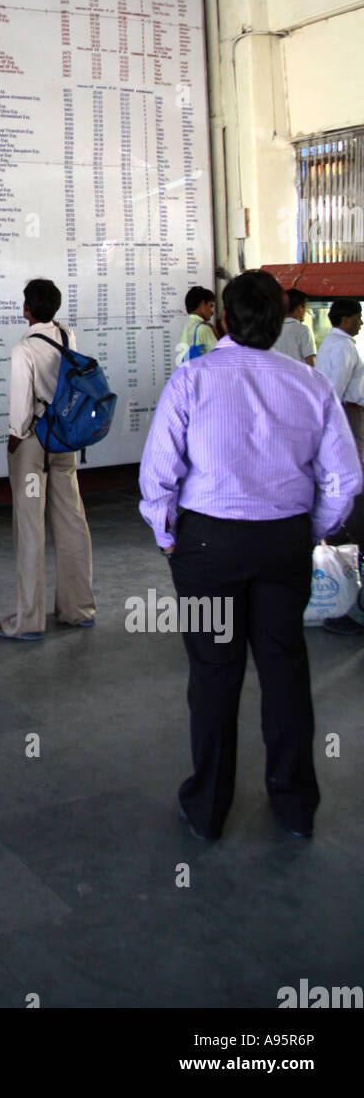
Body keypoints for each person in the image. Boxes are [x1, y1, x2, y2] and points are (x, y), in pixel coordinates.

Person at [139, 269, 361, 841]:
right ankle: (294, 806)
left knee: (212, 674)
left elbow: (158, 476)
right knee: (286, 669)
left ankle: (208, 808)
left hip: (207, 548)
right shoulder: (311, 386)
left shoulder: (192, 379)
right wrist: (310, 530)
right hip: (284, 542)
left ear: (224, 319)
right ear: (286, 315)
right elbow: (343, 480)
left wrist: (170, 538)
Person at [0, 278, 95, 640]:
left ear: (27, 309)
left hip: (33, 444)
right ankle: (78, 608)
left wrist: (14, 442)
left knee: (31, 527)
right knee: (71, 519)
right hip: (65, 439)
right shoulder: (67, 336)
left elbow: (20, 411)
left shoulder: (25, 350)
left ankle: (29, 620)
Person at [315, 298, 364, 460]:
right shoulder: (343, 345)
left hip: (334, 407)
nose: (361, 323)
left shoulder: (331, 341)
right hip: (347, 409)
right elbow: (338, 383)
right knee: (354, 455)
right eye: (358, 318)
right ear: (345, 320)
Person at [176, 286, 218, 366]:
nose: (212, 312)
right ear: (202, 304)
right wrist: (217, 335)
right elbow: (221, 357)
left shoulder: (187, 326)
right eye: (211, 306)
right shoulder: (204, 328)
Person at [273, 288, 316, 365]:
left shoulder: (272, 329)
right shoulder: (303, 330)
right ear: (299, 308)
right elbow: (310, 361)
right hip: (297, 376)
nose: (306, 312)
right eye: (306, 308)